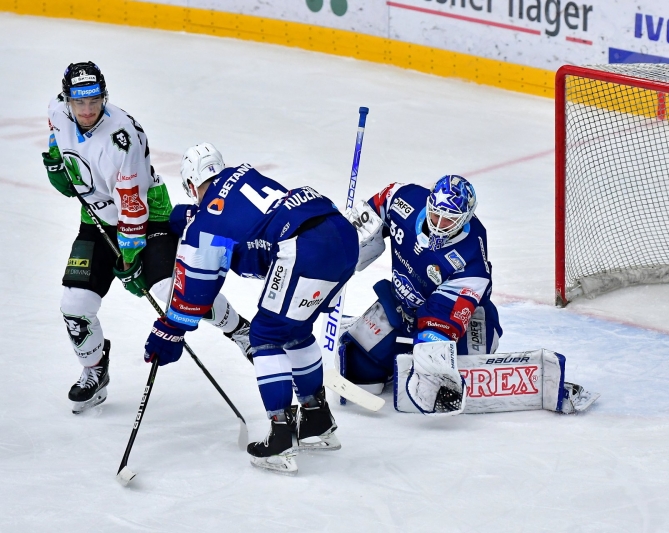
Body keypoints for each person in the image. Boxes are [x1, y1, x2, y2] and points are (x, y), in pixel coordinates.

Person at [43, 62, 252, 415]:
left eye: (94, 100)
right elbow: (56, 139)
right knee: (74, 307)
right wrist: (55, 162)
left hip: (147, 214)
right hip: (96, 220)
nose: (88, 110)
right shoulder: (56, 111)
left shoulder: (123, 136)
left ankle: (239, 329)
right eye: (79, 103)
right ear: (67, 102)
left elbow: (132, 204)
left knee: (170, 293)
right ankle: (95, 369)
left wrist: (130, 257)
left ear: (104, 96)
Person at [143, 143, 358, 475]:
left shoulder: (206, 223)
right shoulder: (242, 174)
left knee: (264, 336)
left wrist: (170, 330)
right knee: (295, 330)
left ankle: (281, 437)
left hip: (303, 247)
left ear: (189, 185)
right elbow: (242, 217)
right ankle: (316, 422)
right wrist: (190, 218)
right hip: (340, 236)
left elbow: (197, 286)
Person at [339, 175, 502, 410]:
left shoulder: (471, 258)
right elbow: (370, 214)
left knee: (442, 382)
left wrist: (428, 353)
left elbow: (443, 314)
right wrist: (348, 239)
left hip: (460, 323)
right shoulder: (400, 197)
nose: (438, 223)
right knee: (358, 371)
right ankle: (395, 356)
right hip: (403, 306)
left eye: (449, 220)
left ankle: (474, 345)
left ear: (465, 218)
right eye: (435, 214)